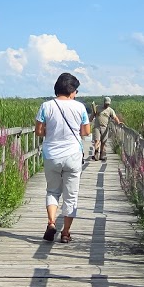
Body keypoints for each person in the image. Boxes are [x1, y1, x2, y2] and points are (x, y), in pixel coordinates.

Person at [35, 72, 90, 243]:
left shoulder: (46, 106)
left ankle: (51, 222)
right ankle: (65, 233)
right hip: (73, 155)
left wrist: (50, 132)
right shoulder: (80, 107)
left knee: (52, 191)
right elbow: (86, 132)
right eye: (76, 90)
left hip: (51, 155)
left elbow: (38, 131)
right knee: (71, 195)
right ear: (72, 90)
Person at [93, 96, 124, 161]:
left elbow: (114, 117)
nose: (107, 105)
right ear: (104, 102)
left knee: (103, 142)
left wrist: (118, 122)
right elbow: (92, 115)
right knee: (97, 140)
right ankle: (96, 153)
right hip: (97, 127)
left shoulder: (110, 110)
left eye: (108, 104)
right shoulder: (97, 108)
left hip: (105, 127)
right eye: (106, 103)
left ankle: (102, 155)